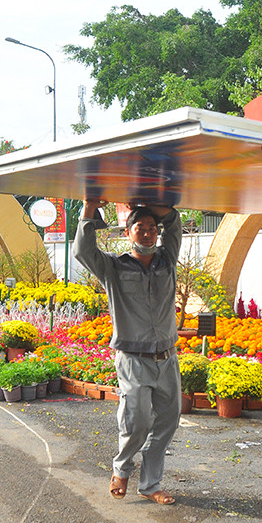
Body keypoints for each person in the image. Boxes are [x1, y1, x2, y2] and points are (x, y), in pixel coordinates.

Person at [75, 201, 182, 505]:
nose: (148, 234)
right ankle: (122, 468)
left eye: (152, 229)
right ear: (128, 232)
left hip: (167, 358)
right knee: (137, 421)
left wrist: (159, 208)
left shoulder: (167, 260)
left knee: (167, 421)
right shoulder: (113, 266)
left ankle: (150, 484)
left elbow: (174, 224)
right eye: (141, 228)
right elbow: (83, 252)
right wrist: (90, 208)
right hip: (133, 360)